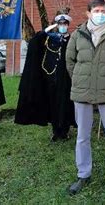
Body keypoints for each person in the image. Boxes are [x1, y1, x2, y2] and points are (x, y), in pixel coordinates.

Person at [65, 0, 105, 195]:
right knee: (83, 136)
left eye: (103, 11)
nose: (100, 14)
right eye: (96, 11)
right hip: (82, 91)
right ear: (88, 13)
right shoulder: (77, 35)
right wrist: (80, 79)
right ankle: (84, 173)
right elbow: (70, 61)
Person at [15, 13, 75, 142]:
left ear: (68, 25)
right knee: (53, 104)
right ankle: (55, 131)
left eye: (65, 24)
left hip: (66, 79)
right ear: (57, 26)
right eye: (60, 24)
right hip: (51, 78)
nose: (62, 26)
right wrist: (45, 31)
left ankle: (64, 131)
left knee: (65, 105)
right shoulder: (50, 39)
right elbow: (34, 43)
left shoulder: (72, 39)